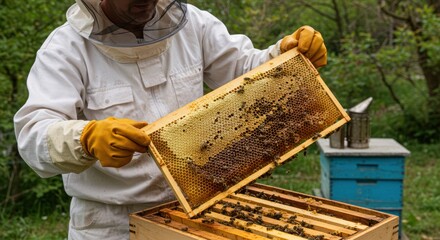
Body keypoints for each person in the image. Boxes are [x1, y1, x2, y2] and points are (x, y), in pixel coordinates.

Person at [13, 0, 327, 239]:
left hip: (199, 210)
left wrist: (283, 56)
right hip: (110, 223)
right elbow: (33, 134)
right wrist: (84, 138)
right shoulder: (66, 49)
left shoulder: (194, 26)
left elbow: (245, 70)